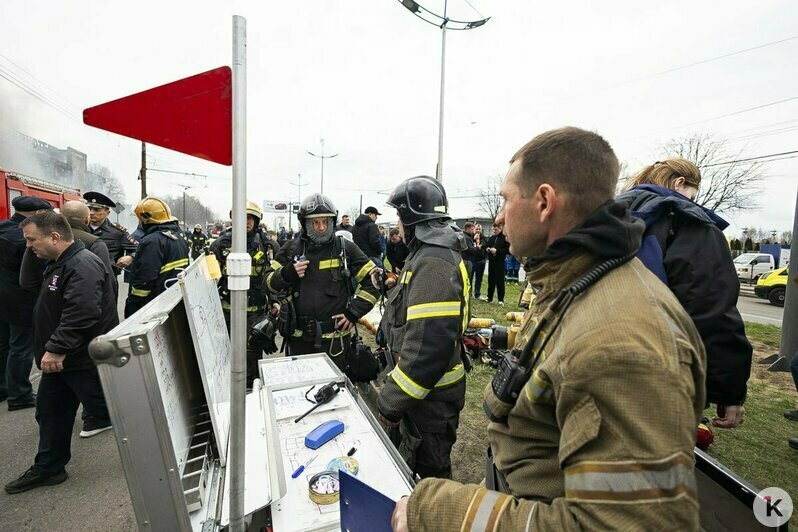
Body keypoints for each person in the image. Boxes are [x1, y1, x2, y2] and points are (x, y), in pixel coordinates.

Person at [391, 127, 706, 530]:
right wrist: (499, 338)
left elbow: (615, 525)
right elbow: (559, 351)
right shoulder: (579, 281)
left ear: (544, 202)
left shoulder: (621, 344)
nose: (498, 218)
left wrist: (438, 511)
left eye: (505, 200)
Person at [617, 158, 752, 428]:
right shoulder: (686, 222)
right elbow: (711, 312)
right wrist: (729, 390)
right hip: (657, 374)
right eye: (693, 195)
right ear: (680, 183)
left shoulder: (609, 216)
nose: (693, 202)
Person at [5, 211, 117, 494]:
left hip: (75, 359)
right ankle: (49, 468)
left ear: (55, 237)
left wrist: (55, 349)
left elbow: (82, 312)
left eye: (32, 240)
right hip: (65, 361)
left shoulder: (81, 264)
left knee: (111, 408)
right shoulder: (62, 262)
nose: (29, 246)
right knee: (50, 412)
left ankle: (154, 454)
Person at [376, 176, 470, 480]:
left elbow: (427, 350)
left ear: (410, 216)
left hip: (430, 401)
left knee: (429, 482)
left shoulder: (433, 261)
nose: (397, 226)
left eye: (398, 217)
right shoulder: (428, 255)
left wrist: (390, 403)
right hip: (426, 399)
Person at [263, 193, 379, 372]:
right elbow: (267, 283)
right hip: (298, 342)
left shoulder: (345, 248)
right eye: (314, 222)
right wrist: (287, 274)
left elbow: (375, 281)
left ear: (333, 222)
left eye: (325, 222)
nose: (321, 227)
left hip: (335, 343)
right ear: (304, 223)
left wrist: (354, 312)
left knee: (335, 393)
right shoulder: (291, 248)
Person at [210, 201, 280, 386]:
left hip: (256, 313)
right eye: (242, 218)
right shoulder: (219, 245)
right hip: (227, 312)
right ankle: (225, 391)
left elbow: (276, 277)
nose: (246, 222)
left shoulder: (269, 246)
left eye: (250, 218)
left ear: (256, 221)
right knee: (225, 353)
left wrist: (276, 301)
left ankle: (251, 390)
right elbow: (207, 279)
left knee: (252, 355)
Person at [0, 196, 52, 411]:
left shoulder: (2, 228)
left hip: (3, 298)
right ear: (38, 214)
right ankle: (20, 395)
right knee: (21, 347)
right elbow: (37, 271)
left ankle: (4, 388)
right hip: (20, 299)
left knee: (3, 345)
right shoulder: (27, 238)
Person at [124, 197, 190, 318]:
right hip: (171, 300)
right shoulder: (179, 237)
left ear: (147, 220)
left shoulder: (152, 241)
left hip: (150, 306)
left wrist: (132, 305)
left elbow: (144, 280)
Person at [83, 191, 137, 275]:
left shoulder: (118, 232)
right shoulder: (80, 228)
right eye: (89, 209)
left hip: (107, 278)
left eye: (97, 210)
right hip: (82, 276)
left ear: (107, 213)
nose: (91, 213)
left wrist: (131, 257)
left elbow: (138, 249)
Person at [485, 222, 510, 305]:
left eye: (496, 229)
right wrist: (488, 249)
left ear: (500, 228)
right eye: (493, 229)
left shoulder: (504, 238)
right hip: (491, 261)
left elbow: (508, 250)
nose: (494, 230)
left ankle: (500, 299)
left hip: (500, 262)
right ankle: (489, 297)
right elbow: (487, 245)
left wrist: (497, 251)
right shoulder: (492, 238)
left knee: (500, 281)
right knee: (490, 280)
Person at [472, 230, 487, 300]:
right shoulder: (470, 238)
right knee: (469, 278)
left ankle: (477, 294)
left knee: (479, 279)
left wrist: (478, 242)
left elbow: (484, 245)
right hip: (472, 261)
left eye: (479, 229)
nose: (478, 231)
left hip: (481, 261)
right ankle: (469, 293)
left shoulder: (484, 239)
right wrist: (474, 239)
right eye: (476, 229)